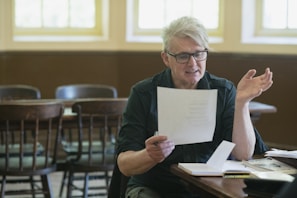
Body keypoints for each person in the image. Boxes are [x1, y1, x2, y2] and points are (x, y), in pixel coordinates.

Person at [117, 16, 273, 198]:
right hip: (156, 188)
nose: (193, 64)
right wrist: (150, 155)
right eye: (183, 56)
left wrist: (242, 103)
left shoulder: (223, 90)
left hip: (209, 187)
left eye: (199, 54)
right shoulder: (144, 93)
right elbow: (125, 165)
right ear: (166, 58)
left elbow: (243, 154)